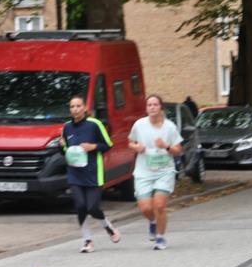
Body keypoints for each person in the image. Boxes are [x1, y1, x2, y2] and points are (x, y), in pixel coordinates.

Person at [61, 96, 121, 252]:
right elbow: (66, 150)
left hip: (93, 172)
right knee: (80, 206)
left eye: (78, 106)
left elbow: (108, 144)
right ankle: (87, 240)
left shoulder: (94, 124)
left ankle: (107, 227)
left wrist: (93, 146)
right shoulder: (67, 127)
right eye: (72, 106)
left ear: (85, 108)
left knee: (93, 208)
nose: (75, 109)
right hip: (75, 174)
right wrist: (61, 147)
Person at [128, 94, 183, 250]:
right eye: (149, 105)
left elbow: (178, 149)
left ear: (161, 107)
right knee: (145, 208)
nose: (152, 107)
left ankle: (160, 237)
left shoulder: (170, 127)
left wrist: (166, 146)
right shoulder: (139, 125)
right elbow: (130, 142)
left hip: (164, 171)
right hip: (143, 171)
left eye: (155, 104)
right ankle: (153, 221)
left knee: (159, 205)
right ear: (146, 108)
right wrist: (137, 147)